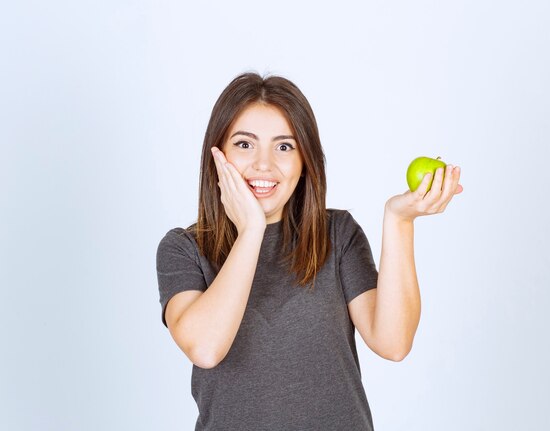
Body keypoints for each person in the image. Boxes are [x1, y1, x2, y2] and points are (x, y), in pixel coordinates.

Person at [156, 72, 463, 431]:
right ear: (218, 154)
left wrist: (399, 221)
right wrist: (252, 230)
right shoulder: (183, 249)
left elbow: (393, 342)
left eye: (284, 147)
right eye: (244, 144)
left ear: (305, 164)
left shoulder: (337, 234)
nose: (264, 164)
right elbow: (205, 349)